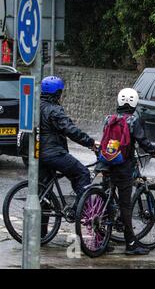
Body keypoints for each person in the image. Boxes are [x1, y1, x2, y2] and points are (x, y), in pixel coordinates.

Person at [100, 88, 155, 255]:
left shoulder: (109, 119)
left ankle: (102, 239)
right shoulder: (133, 121)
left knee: (105, 196)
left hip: (106, 164)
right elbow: (142, 141)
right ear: (134, 103)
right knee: (125, 205)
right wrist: (154, 153)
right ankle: (131, 243)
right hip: (123, 167)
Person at [39, 76, 97, 226]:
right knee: (82, 173)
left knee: (44, 192)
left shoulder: (35, 106)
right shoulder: (54, 110)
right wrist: (90, 142)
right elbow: (70, 130)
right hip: (54, 153)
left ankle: (40, 234)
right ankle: (80, 214)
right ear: (57, 93)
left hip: (37, 154)